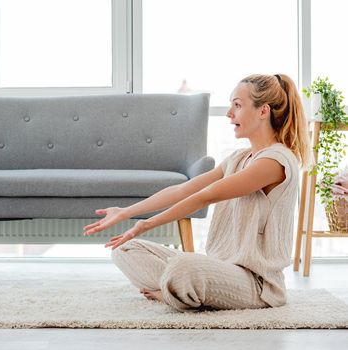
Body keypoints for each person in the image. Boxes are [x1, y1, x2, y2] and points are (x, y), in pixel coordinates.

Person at [84, 74, 311, 312]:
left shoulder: (275, 161)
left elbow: (206, 196)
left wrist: (145, 224)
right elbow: (185, 189)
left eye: (237, 105)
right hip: (221, 268)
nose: (229, 113)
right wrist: (126, 212)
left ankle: (175, 290)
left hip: (256, 284)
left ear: (263, 111)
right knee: (125, 250)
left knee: (184, 268)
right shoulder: (238, 158)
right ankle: (181, 288)